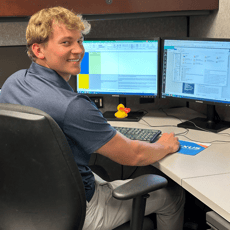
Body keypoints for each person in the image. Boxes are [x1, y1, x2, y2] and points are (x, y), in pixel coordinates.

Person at [0, 6, 185, 230]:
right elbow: (133, 155)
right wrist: (164, 146)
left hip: (27, 201)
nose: (79, 50)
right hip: (80, 211)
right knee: (171, 195)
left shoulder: (13, 81)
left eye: (80, 40)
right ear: (39, 50)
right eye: (66, 42)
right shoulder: (73, 106)